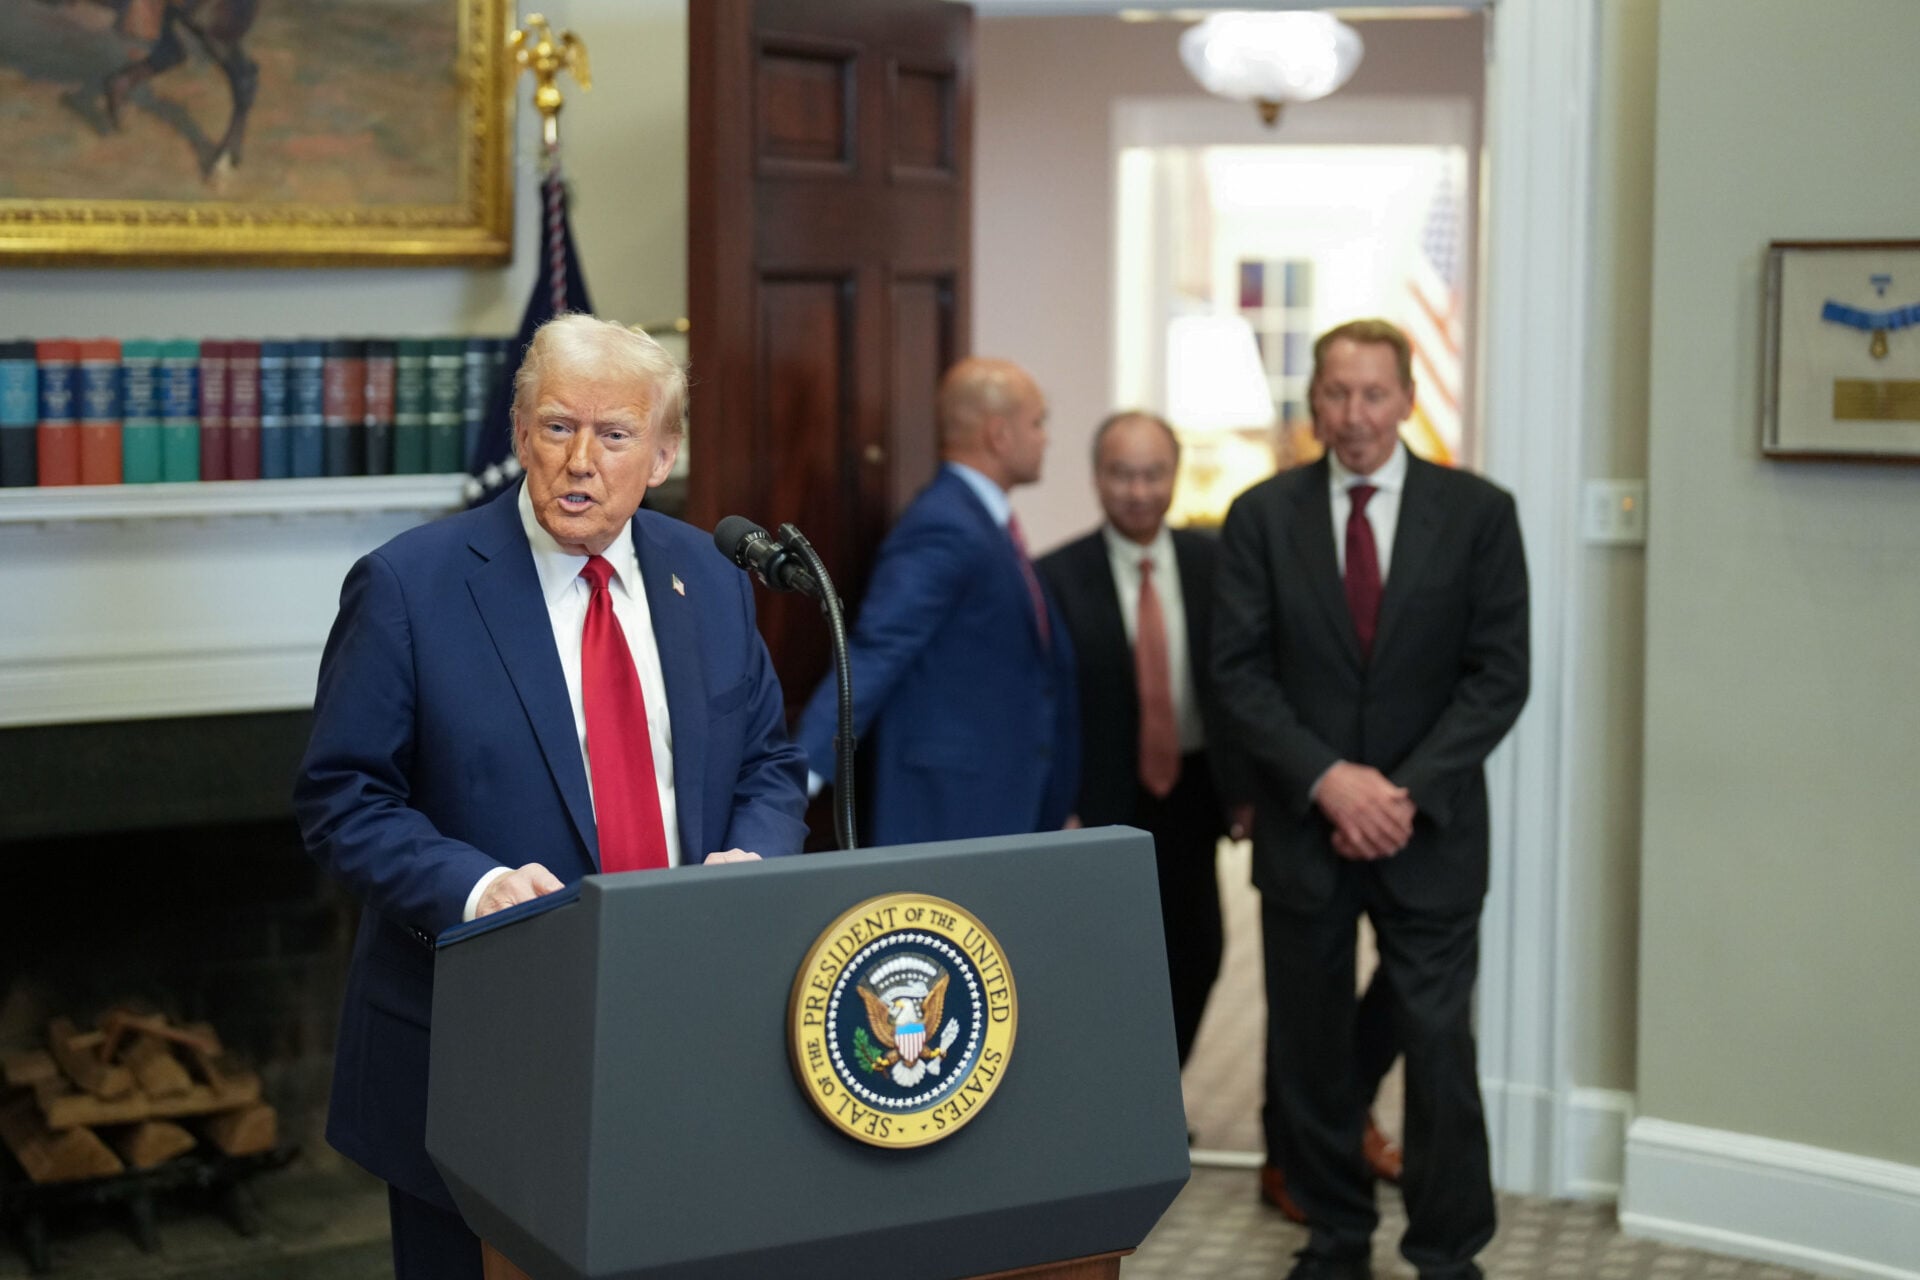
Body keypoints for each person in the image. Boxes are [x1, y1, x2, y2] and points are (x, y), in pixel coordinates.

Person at [294, 314, 808, 1280]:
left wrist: (756, 860)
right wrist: (473, 886)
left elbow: (768, 766)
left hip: (679, 1027)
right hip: (482, 1049)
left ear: (662, 454)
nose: (580, 461)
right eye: (557, 427)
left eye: (613, 436)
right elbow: (342, 797)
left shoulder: (710, 575)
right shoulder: (411, 586)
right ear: (520, 434)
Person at [1212, 319, 1529, 1280]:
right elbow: (1237, 674)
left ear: (1408, 399)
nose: (1355, 416)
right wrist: (1329, 781)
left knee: (1437, 1049)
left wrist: (1405, 792)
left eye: (1375, 394)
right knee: (1308, 1051)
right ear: (1314, 403)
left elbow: (1498, 676)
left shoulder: (1477, 513)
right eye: (1337, 395)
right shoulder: (1261, 516)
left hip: (1429, 832)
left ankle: (1445, 1249)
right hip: (1308, 828)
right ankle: (1337, 1234)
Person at [794, 356, 1078, 844]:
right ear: (999, 434)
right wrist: (797, 775)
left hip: (1004, 801)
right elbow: (877, 650)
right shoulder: (944, 525)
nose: (1045, 438)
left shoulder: (982, 519)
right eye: (1037, 423)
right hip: (954, 810)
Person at [1035, 411, 1242, 1066]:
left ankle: (1157, 1090)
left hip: (1193, 791)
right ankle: (1115, 1102)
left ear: (1176, 476)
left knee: (1197, 953)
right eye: (1123, 474)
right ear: (1098, 477)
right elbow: (1046, 706)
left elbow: (1239, 683)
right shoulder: (1056, 576)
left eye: (1154, 474)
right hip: (1101, 800)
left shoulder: (1218, 564)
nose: (1139, 490)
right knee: (1103, 961)